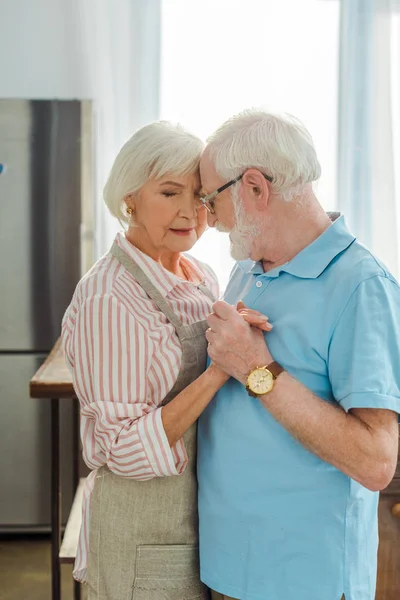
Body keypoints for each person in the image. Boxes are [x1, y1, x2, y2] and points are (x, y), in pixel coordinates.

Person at [197, 110, 400, 600]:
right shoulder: (248, 266)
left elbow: (376, 462)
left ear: (254, 188)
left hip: (303, 581)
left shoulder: (362, 286)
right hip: (229, 569)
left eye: (210, 199)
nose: (207, 216)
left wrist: (257, 369)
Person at [61, 121, 268, 600]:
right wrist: (221, 369)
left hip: (195, 528)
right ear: (130, 198)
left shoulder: (202, 276)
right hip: (141, 541)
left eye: (198, 196)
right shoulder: (109, 297)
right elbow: (121, 447)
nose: (188, 212)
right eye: (169, 193)